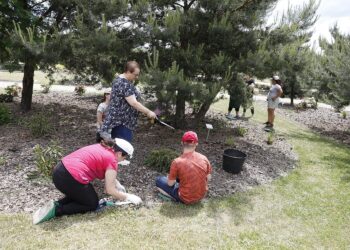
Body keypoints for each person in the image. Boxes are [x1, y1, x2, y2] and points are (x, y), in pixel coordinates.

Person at [32, 138, 142, 225]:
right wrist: (127, 197)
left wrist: (116, 183)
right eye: (124, 157)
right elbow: (109, 190)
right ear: (119, 154)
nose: (123, 160)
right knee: (91, 203)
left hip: (59, 172)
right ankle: (57, 210)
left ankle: (56, 205)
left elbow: (104, 171)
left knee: (82, 195)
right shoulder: (112, 160)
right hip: (70, 177)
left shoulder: (102, 147)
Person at [100, 61, 156, 142]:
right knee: (121, 150)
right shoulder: (124, 84)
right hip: (122, 123)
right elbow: (133, 103)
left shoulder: (119, 80)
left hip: (119, 122)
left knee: (117, 149)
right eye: (135, 75)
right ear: (128, 71)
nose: (137, 77)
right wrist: (148, 112)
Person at [155, 131, 212, 204]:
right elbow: (209, 177)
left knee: (159, 180)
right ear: (196, 143)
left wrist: (171, 179)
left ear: (182, 143)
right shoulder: (204, 158)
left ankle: (174, 198)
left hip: (185, 198)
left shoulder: (177, 162)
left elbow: (170, 184)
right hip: (202, 196)